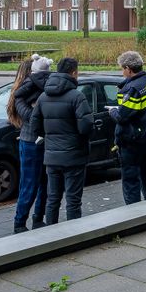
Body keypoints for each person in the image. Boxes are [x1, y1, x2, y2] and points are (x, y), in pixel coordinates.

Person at [30, 57, 94, 224]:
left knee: (53, 199)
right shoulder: (77, 96)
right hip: (74, 156)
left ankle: (52, 236)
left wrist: (48, 136)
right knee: (73, 200)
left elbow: (34, 126)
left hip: (51, 156)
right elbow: (86, 126)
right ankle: (72, 236)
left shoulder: (43, 97)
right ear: (73, 73)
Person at [109, 51, 146, 204]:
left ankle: (134, 216)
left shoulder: (132, 89)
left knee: (131, 181)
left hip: (132, 142)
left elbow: (122, 117)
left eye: (122, 69)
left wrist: (112, 111)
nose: (122, 72)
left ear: (129, 68)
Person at [8, 54, 53, 233]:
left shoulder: (22, 91)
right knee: (39, 182)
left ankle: (26, 221)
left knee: (34, 182)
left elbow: (21, 111)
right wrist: (35, 118)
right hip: (39, 140)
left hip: (30, 140)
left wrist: (32, 117)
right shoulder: (41, 87)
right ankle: (30, 220)